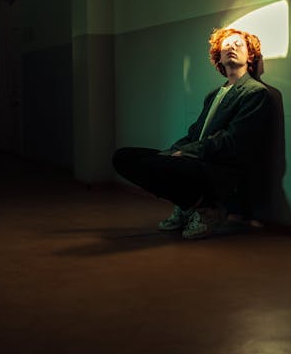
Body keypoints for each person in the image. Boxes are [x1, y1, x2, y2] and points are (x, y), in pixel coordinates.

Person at [112, 27, 271, 239]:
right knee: (124, 157)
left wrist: (188, 152)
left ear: (250, 56)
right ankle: (188, 206)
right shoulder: (215, 94)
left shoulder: (255, 92)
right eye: (226, 45)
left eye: (238, 44)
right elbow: (194, 134)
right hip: (198, 160)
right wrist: (173, 151)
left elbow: (232, 141)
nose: (232, 47)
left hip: (219, 170)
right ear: (219, 57)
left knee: (159, 165)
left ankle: (209, 209)